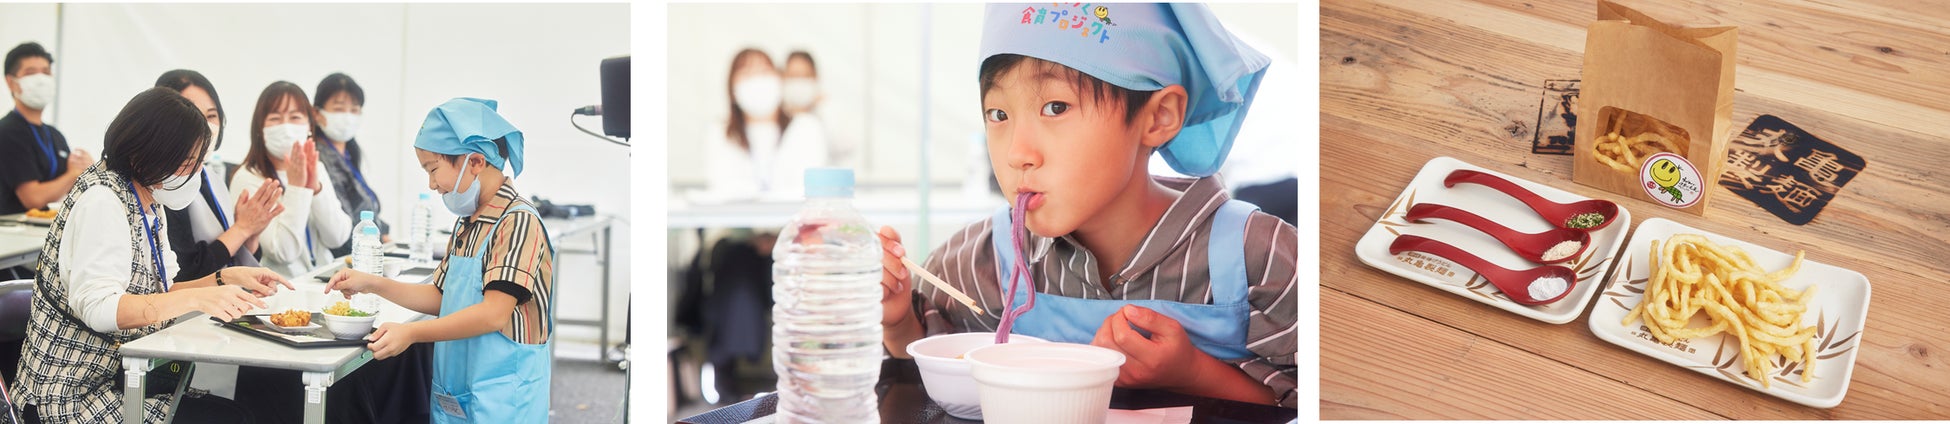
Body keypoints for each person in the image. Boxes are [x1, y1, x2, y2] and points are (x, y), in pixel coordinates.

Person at [875, 3, 1298, 407]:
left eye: (1055, 107)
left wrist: (1194, 374)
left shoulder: (1262, 260)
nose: (1017, 153)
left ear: (1159, 116)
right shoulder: (977, 263)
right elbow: (936, 385)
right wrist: (898, 322)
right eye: (998, 114)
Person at [11, 87, 293, 423]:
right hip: (69, 398)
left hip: (121, 381)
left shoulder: (149, 198)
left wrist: (223, 279)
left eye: (198, 163)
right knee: (233, 419)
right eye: (187, 163)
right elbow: (100, 309)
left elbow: (161, 291)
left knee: (238, 414)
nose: (195, 174)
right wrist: (197, 299)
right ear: (144, 154)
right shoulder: (102, 201)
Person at [326, 97, 555, 423]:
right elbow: (442, 297)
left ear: (475, 162)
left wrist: (412, 333)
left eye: (433, 169)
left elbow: (494, 314)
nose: (432, 184)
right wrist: (372, 283)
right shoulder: (468, 222)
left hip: (504, 397)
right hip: (458, 391)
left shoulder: (517, 221)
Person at [154, 69, 283, 280]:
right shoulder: (164, 182)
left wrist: (250, 236)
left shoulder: (211, 173)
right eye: (193, 114)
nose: (206, 126)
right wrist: (241, 229)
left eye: (212, 116)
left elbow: (229, 255)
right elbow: (184, 270)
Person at [229, 81, 351, 276]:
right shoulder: (247, 177)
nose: (286, 127)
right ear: (260, 128)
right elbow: (283, 252)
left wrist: (316, 189)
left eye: (295, 117)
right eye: (275, 118)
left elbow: (337, 238)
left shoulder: (316, 167)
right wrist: (297, 188)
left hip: (323, 278)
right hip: (280, 286)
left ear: (309, 126)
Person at [703, 48, 827, 199]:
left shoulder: (806, 127)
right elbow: (722, 187)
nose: (757, 80)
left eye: (764, 71)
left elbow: (809, 190)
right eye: (747, 73)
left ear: (778, 80)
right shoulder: (720, 133)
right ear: (733, 89)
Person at [1, 42, 91, 219]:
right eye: (31, 73)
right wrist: (73, 174)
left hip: (49, 228)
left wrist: (87, 170)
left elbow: (72, 190)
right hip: (13, 231)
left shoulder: (55, 135)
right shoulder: (7, 132)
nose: (41, 80)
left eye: (46, 72)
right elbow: (33, 198)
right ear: (11, 82)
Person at [310, 72, 389, 255]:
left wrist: (384, 237)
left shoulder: (349, 154)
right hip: (345, 255)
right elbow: (343, 222)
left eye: (354, 110)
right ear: (317, 113)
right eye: (339, 109)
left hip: (366, 249)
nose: (347, 117)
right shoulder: (319, 158)